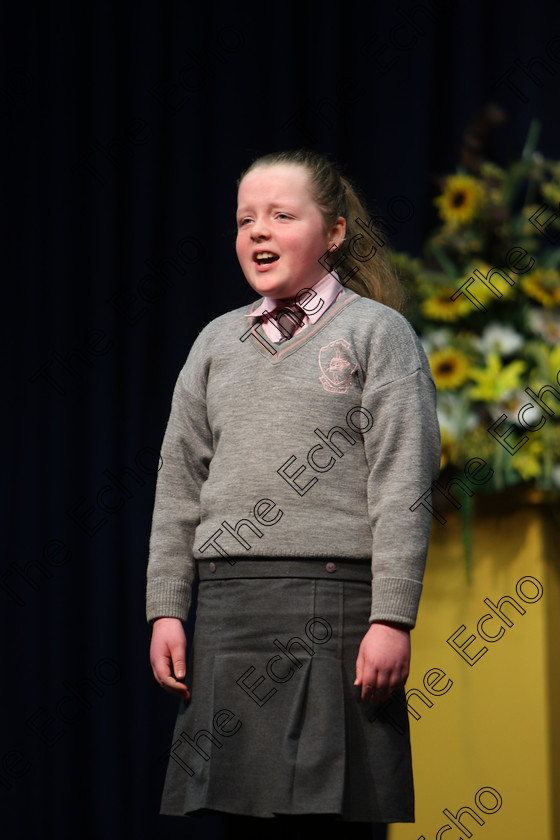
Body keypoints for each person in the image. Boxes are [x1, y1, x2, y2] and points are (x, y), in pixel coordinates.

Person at [146, 150, 440, 838]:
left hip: (332, 607)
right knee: (240, 822)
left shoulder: (376, 334)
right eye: (246, 218)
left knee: (331, 819)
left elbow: (403, 479)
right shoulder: (217, 342)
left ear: (334, 232)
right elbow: (179, 480)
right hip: (228, 607)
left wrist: (392, 618)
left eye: (281, 215)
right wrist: (166, 607)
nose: (258, 231)